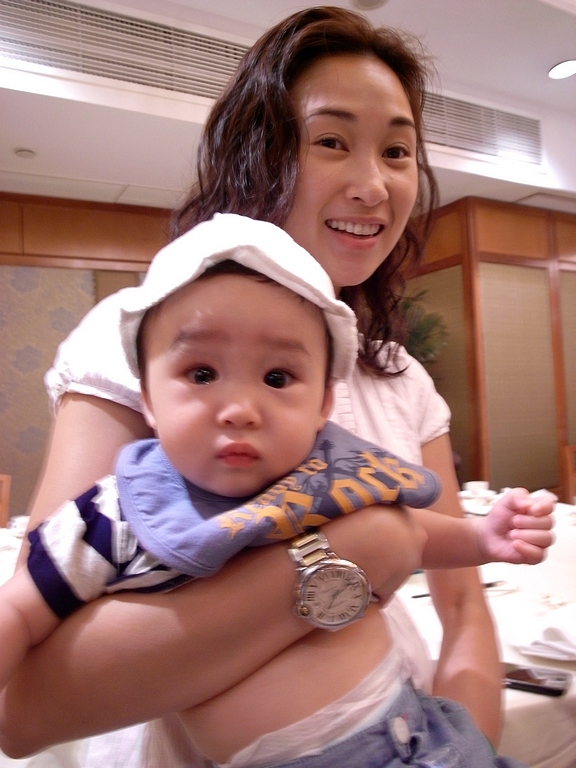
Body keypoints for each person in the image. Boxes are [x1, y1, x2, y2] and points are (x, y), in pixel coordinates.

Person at [0, 6, 555, 765]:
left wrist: (469, 745)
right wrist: (360, 547)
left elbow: (463, 611)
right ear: (259, 155)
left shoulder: (402, 377)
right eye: (332, 141)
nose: (373, 185)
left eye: (397, 151)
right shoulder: (152, 344)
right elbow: (30, 702)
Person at [0, 213, 442, 694]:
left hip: (392, 719)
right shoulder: (117, 515)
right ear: (147, 400)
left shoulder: (328, 475)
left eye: (276, 378)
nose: (240, 411)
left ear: (323, 406)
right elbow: (19, 609)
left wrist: (483, 539)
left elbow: (416, 532)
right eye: (202, 375)